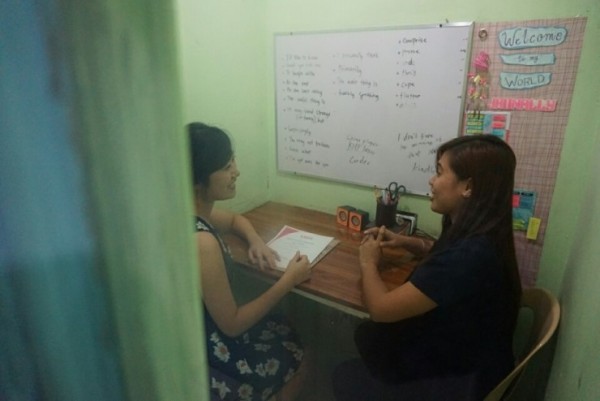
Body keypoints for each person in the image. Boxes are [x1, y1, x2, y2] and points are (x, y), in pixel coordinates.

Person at [333, 135, 522, 400]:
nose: (431, 181)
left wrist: (368, 262)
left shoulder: (469, 257)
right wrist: (408, 242)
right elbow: (446, 253)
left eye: (440, 172)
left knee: (344, 372)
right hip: (468, 362)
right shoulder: (483, 236)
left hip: (455, 384)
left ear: (468, 187)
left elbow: (381, 309)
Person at [189, 122, 312, 401]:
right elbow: (232, 324)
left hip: (202, 334)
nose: (237, 171)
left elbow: (235, 220)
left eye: (233, 160)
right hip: (212, 355)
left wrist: (256, 240)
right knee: (299, 351)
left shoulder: (190, 210)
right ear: (199, 181)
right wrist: (288, 280)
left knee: (287, 328)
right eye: (226, 167)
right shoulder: (202, 243)